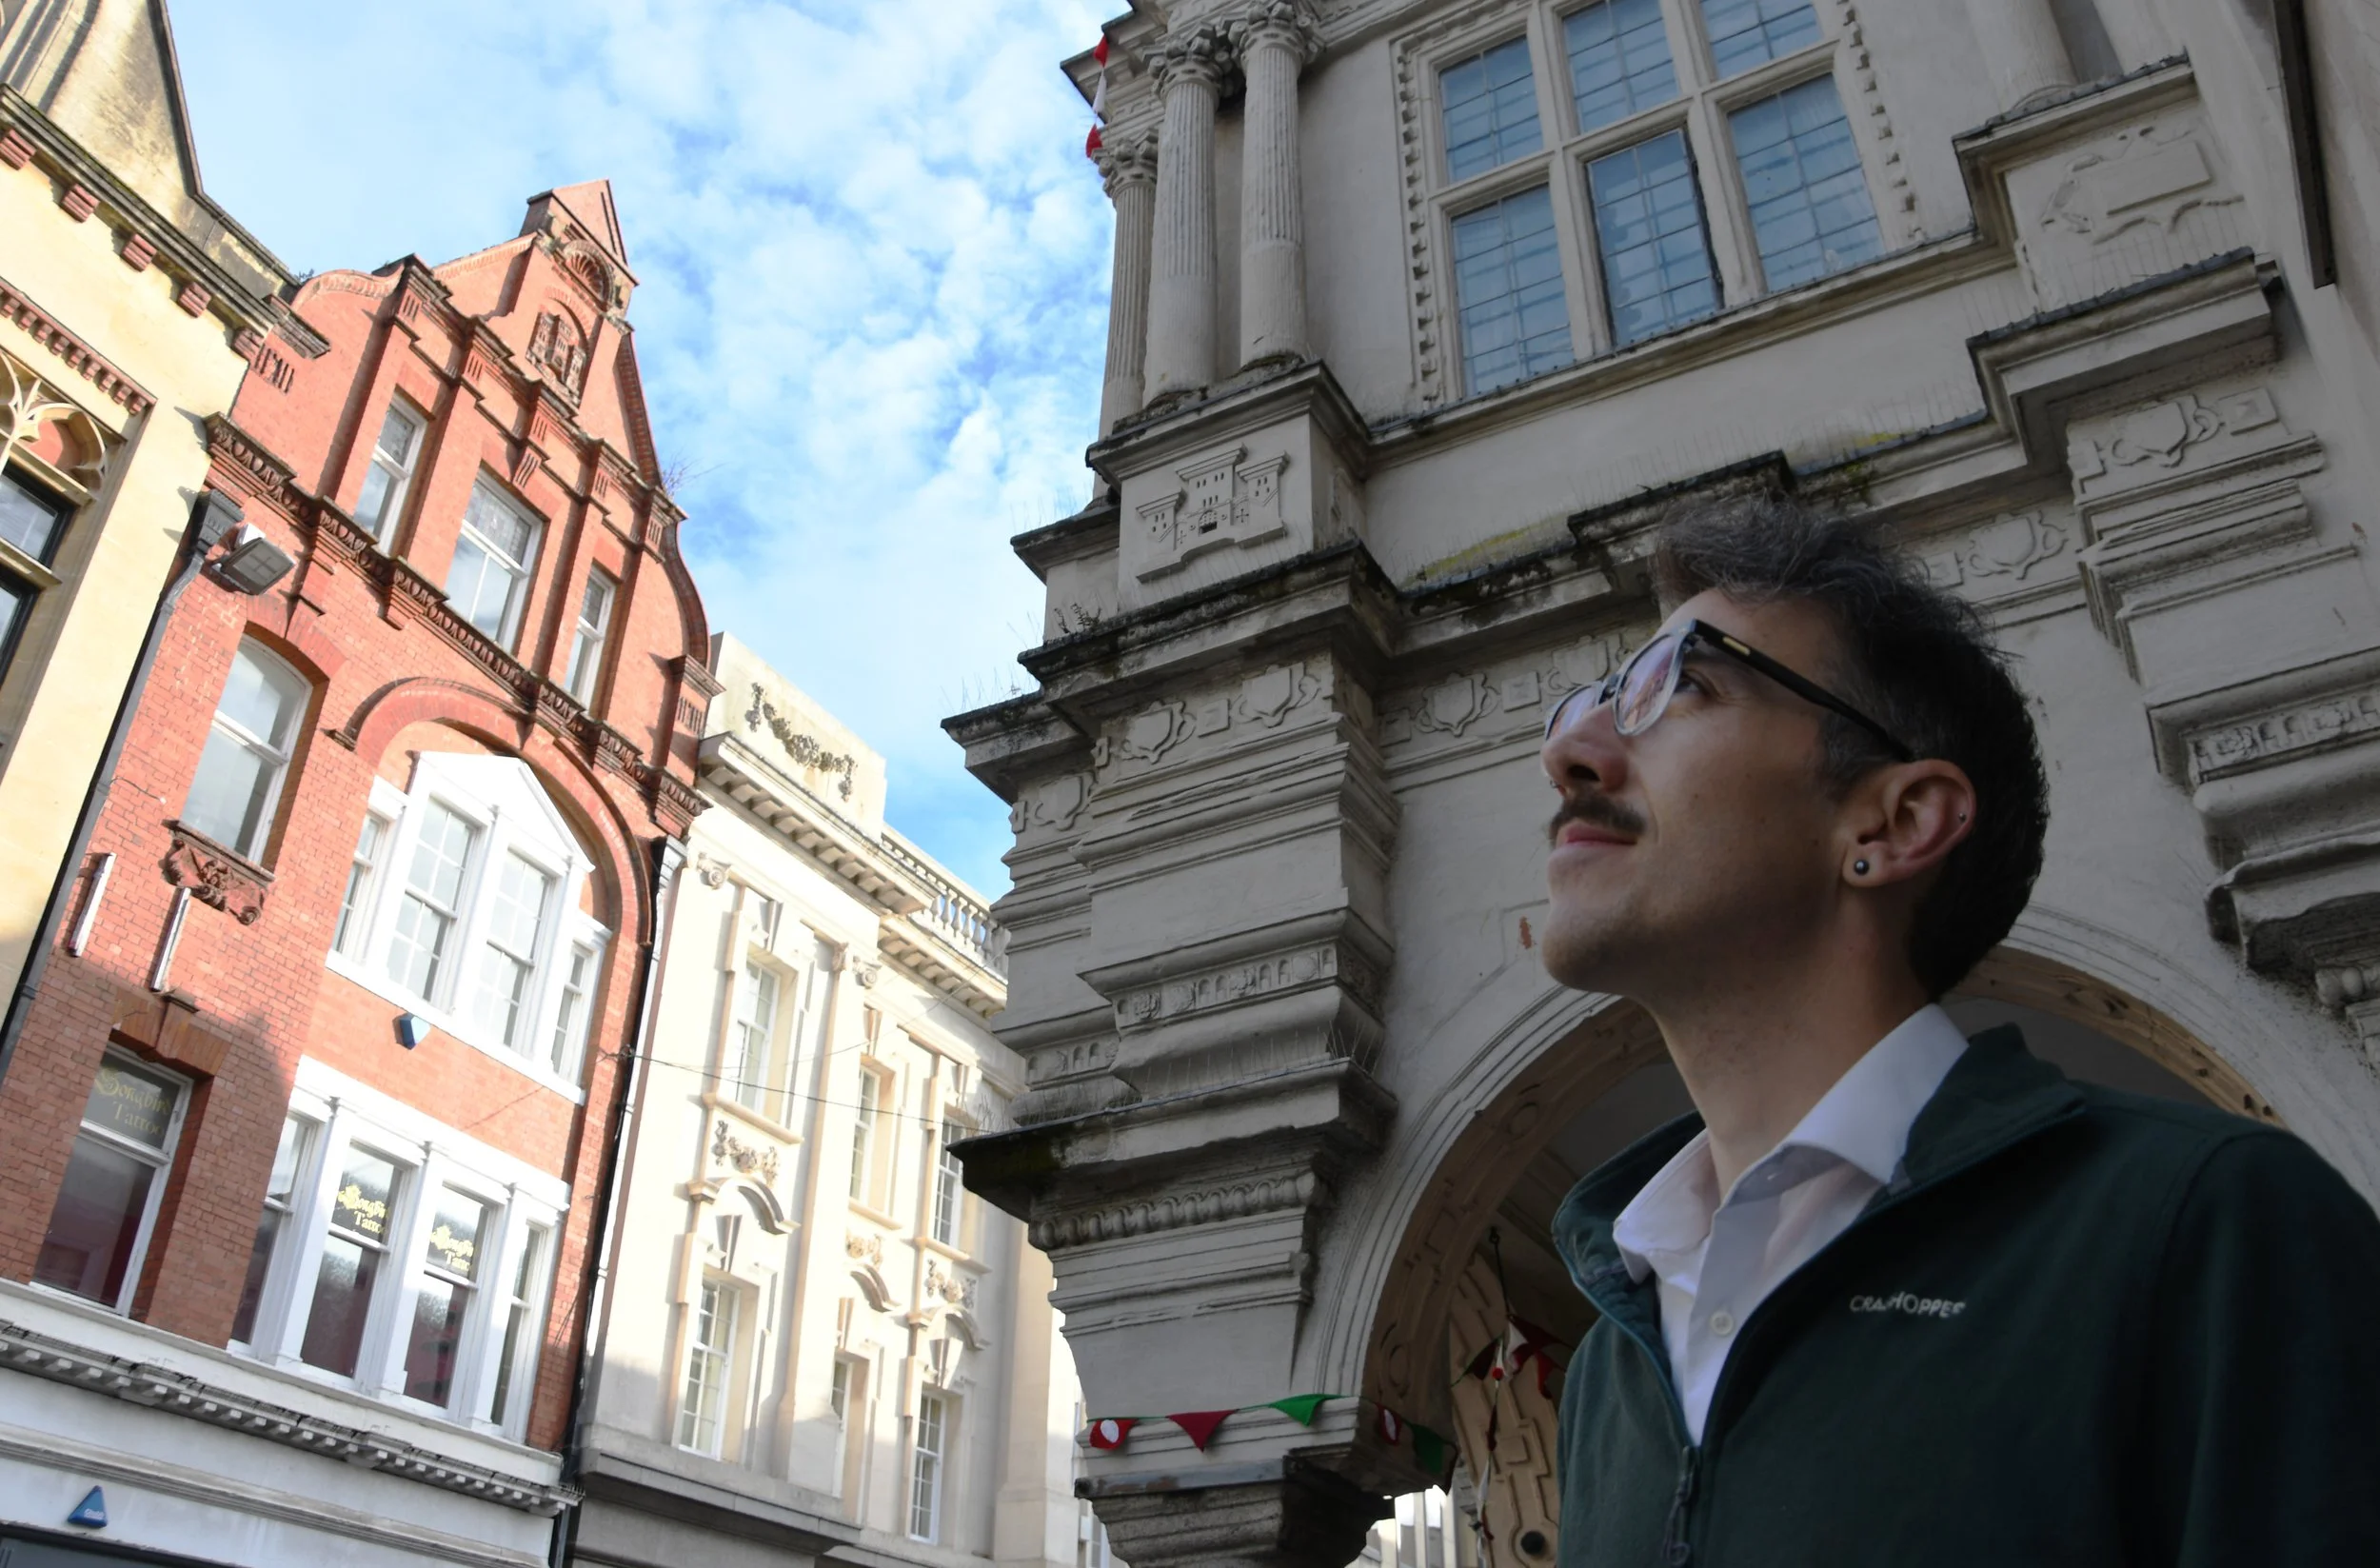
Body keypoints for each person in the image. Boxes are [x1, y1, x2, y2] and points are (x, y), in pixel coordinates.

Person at [1539, 494, 2380, 1566]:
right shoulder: (1616, 1339)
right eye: (1600, 698)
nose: (1570, 749)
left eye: (1683, 688)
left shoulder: (2204, 1224)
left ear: (1893, 822)